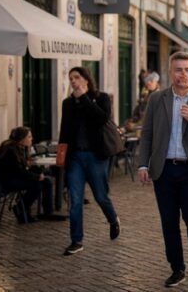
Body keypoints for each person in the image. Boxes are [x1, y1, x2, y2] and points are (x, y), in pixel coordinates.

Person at [137, 51, 188, 287]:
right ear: (170, 72)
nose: (182, 74)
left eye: (186, 69)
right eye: (178, 69)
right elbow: (147, 135)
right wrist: (143, 163)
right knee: (168, 221)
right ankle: (177, 268)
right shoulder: (157, 99)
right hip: (163, 171)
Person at [58, 67, 121, 256]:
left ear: (86, 79)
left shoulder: (101, 98)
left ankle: (113, 219)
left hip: (95, 156)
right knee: (75, 200)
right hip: (75, 157)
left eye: (76, 77)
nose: (73, 81)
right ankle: (76, 240)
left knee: (101, 196)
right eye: (70, 79)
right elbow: (64, 130)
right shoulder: (68, 103)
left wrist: (84, 98)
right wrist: (62, 156)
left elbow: (102, 119)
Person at [0, 127, 65, 223]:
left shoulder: (18, 148)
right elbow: (18, 172)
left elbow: (19, 168)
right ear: (22, 139)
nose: (32, 139)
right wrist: (36, 177)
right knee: (37, 184)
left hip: (12, 178)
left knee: (46, 180)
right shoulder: (11, 150)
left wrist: (30, 166)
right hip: (5, 182)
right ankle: (20, 208)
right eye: (29, 137)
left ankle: (48, 212)